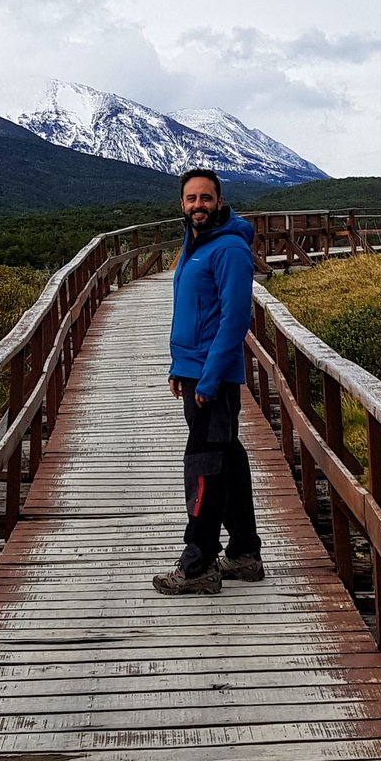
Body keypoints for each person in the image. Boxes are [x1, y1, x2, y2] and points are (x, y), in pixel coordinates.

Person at [153, 168, 263, 596]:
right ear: (182, 204)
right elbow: (194, 313)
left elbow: (235, 320)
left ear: (219, 201)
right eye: (191, 198)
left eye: (205, 198)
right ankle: (244, 553)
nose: (198, 205)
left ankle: (197, 563)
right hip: (194, 370)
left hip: (212, 379)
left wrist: (210, 378)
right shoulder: (195, 243)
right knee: (227, 460)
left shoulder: (230, 249)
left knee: (203, 467)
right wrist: (179, 367)